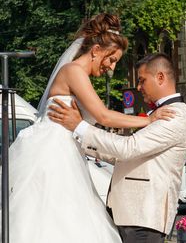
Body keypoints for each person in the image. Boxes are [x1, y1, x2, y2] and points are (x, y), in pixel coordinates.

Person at [8, 13, 174, 243]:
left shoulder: (79, 75)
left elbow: (90, 121)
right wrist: (149, 119)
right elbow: (103, 116)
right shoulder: (73, 71)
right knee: (52, 219)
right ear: (96, 50)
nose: (111, 67)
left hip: (68, 153)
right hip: (51, 154)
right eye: (111, 59)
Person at [48, 53, 186, 243]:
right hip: (131, 214)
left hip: (143, 217)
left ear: (160, 77)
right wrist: (76, 141)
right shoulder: (161, 113)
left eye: (142, 80)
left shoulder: (175, 116)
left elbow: (128, 148)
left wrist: (80, 126)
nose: (139, 87)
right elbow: (122, 156)